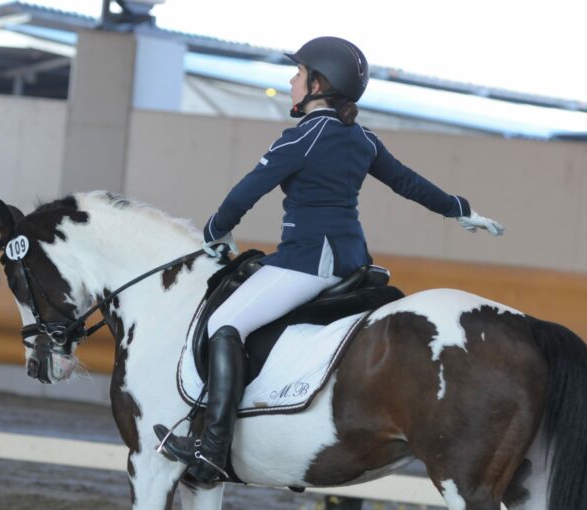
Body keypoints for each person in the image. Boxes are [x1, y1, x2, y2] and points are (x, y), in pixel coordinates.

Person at [155, 36, 504, 482]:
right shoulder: (363, 140)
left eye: (298, 74)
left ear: (318, 83)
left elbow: (246, 190)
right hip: (354, 262)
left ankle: (212, 449)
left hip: (306, 263)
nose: (291, 80)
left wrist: (214, 232)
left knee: (226, 326)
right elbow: (409, 183)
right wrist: (461, 210)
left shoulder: (302, 137)